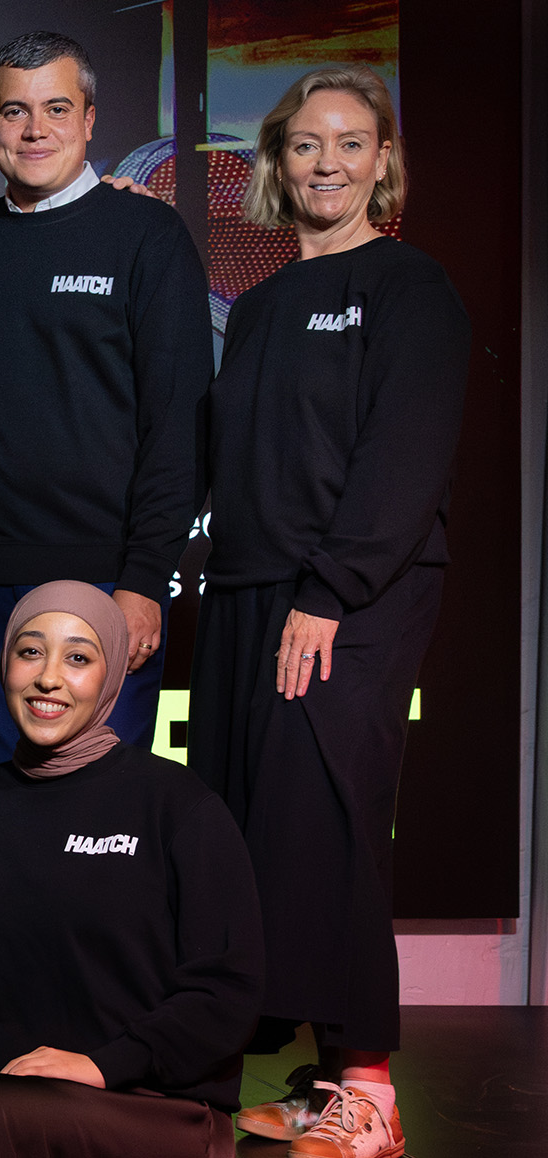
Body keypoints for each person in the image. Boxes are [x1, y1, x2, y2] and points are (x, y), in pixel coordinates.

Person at [188, 65, 468, 1158]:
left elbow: (400, 463)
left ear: (381, 162)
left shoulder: (410, 290)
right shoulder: (254, 308)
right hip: (251, 594)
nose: (326, 163)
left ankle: (367, 1089)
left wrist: (329, 594)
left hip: (351, 597)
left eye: (349, 143)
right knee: (253, 832)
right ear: (273, 160)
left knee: (330, 827)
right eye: (305, 144)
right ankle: (312, 1080)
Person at [0, 582, 264, 1157]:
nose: (48, 678)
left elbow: (227, 993)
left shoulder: (176, 804)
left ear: (111, 676)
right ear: (6, 664)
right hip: (9, 1094)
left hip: (148, 1101)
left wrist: (102, 1064)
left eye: (78, 658)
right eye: (30, 651)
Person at [0, 32, 211, 767]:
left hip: (107, 578)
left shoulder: (146, 235)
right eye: (14, 111)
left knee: (100, 806)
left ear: (89, 120)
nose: (35, 129)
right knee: (2, 795)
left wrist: (145, 580)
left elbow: (178, 424)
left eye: (56, 108)